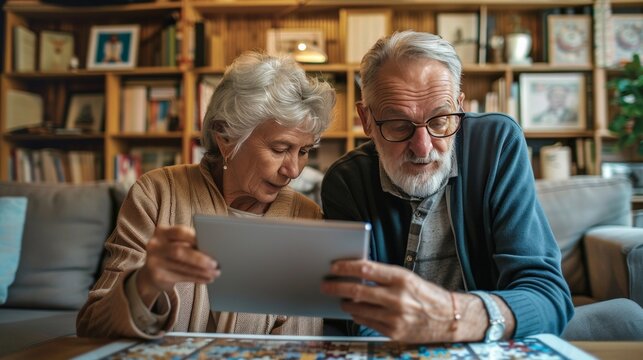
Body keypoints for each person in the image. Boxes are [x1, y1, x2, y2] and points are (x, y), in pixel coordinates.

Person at [320, 31, 575, 342]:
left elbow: (548, 296)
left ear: (459, 105)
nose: (423, 147)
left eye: (440, 120)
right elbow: (356, 315)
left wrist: (455, 316)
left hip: (493, 340)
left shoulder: (496, 144)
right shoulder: (346, 182)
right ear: (366, 120)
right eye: (399, 125)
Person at [77, 51, 335, 339]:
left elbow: (300, 348)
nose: (294, 170)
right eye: (279, 149)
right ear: (226, 138)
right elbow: (92, 325)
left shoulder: (306, 216)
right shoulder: (158, 193)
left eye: (303, 152)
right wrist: (145, 282)